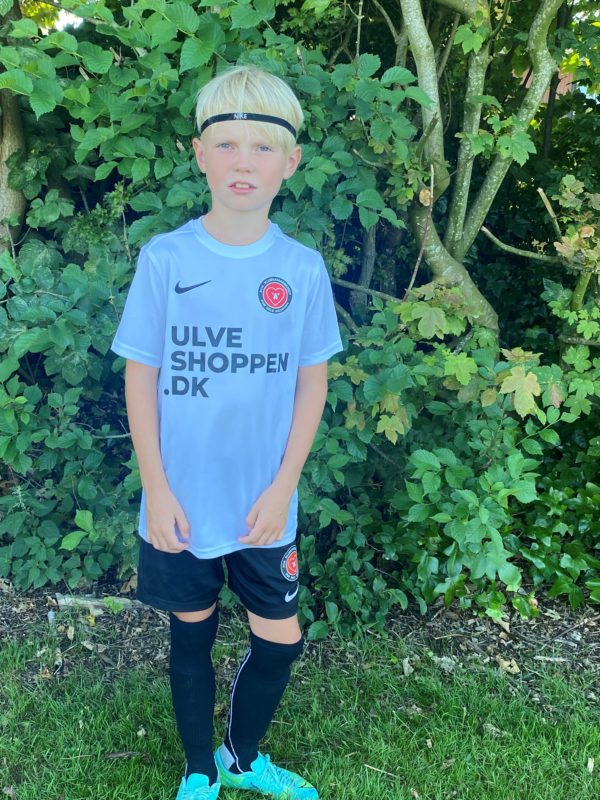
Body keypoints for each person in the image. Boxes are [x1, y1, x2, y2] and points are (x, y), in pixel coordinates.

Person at [110, 64, 344, 800]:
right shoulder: (166, 258)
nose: (245, 162)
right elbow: (140, 378)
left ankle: (242, 759)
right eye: (228, 144)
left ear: (290, 162)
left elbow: (312, 382)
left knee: (282, 640)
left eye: (262, 147)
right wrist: (156, 488)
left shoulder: (301, 269)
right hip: (181, 499)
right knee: (192, 635)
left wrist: (283, 488)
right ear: (200, 154)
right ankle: (199, 769)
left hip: (264, 504)